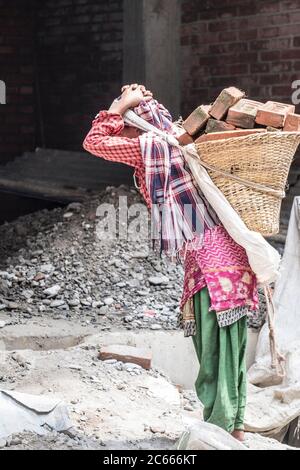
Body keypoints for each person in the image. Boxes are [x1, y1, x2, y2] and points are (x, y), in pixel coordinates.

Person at [83, 84, 259, 441]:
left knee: (213, 349)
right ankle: (233, 428)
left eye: (127, 125)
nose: (124, 132)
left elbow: (95, 141)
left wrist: (119, 105)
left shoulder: (151, 146)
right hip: (233, 253)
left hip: (211, 259)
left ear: (137, 124)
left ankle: (218, 430)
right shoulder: (177, 144)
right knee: (231, 348)